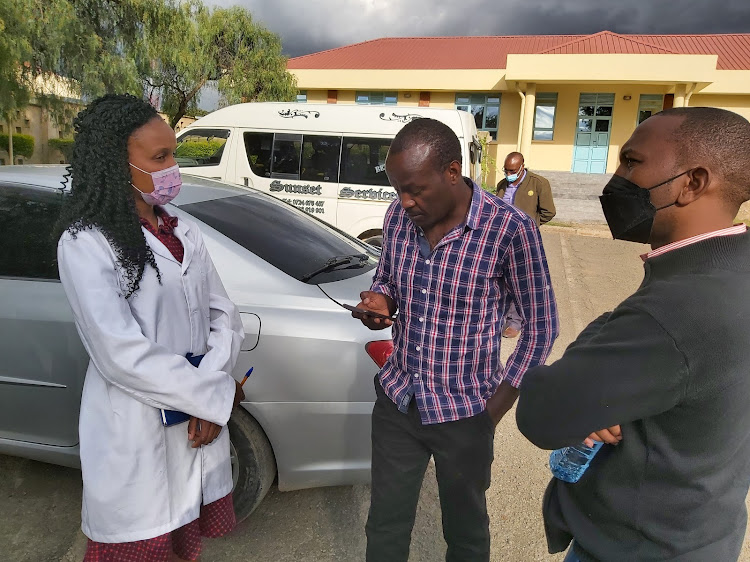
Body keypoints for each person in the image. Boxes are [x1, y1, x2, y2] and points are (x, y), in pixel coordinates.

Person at [516, 107, 750, 562]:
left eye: (632, 162)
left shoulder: (677, 310)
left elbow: (543, 412)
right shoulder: (731, 272)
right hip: (702, 532)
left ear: (692, 182)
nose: (617, 177)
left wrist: (602, 334)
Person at [353, 118, 559, 562]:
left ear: (452, 171)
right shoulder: (398, 216)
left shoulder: (510, 230)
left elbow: (542, 326)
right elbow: (387, 278)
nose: (405, 202)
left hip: (467, 411)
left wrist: (494, 410)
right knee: (385, 523)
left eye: (415, 190)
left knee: (465, 534)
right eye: (397, 189)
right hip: (398, 400)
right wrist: (381, 304)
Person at [54, 94, 245, 562]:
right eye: (159, 158)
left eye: (173, 154)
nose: (171, 166)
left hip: (194, 425)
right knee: (141, 541)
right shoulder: (85, 243)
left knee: (183, 543)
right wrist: (209, 397)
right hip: (136, 429)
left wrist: (208, 397)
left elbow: (225, 318)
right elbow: (120, 354)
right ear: (119, 166)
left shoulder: (184, 233)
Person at [496, 151, 556, 339]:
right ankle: (500, 317)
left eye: (512, 170)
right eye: (506, 170)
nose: (508, 173)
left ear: (522, 166)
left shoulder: (538, 183)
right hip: (502, 239)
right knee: (501, 280)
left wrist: (531, 226)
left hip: (523, 241)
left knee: (519, 281)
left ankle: (515, 322)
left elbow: (549, 212)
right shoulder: (502, 184)